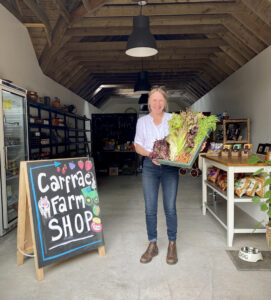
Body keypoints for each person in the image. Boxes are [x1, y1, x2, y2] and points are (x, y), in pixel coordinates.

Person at [134, 86, 179, 265]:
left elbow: (179, 144)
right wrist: (150, 154)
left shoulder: (173, 119)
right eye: (154, 100)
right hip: (150, 168)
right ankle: (152, 243)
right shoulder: (142, 121)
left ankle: (172, 244)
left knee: (170, 207)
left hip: (170, 168)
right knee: (150, 208)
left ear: (165, 102)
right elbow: (137, 145)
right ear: (149, 103)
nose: (157, 104)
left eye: (161, 100)